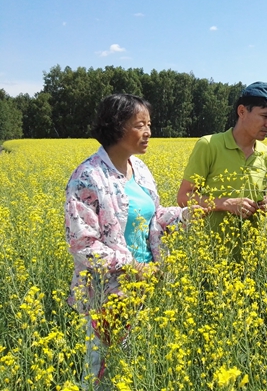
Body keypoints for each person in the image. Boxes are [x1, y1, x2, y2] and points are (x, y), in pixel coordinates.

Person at [65, 94, 194, 386]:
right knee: (103, 373)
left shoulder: (140, 170)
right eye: (140, 125)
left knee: (136, 370)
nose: (148, 132)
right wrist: (135, 266)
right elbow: (83, 244)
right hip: (108, 294)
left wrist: (186, 215)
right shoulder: (88, 176)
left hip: (147, 286)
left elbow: (152, 218)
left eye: (149, 124)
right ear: (117, 127)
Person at [177, 82, 267, 245]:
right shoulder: (209, 146)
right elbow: (183, 197)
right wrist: (226, 203)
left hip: (253, 254)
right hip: (210, 250)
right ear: (242, 111)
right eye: (265, 116)